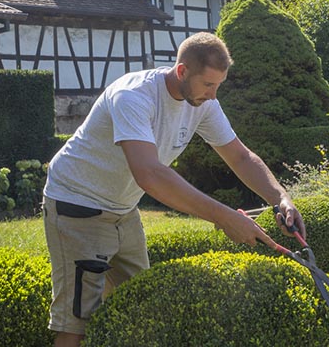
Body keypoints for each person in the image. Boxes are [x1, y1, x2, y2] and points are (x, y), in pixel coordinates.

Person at [42, 32, 307, 347]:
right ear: (182, 71)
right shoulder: (134, 96)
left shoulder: (202, 104)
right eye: (208, 85)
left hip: (123, 212)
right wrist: (224, 217)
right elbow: (150, 174)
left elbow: (240, 156)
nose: (213, 94)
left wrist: (281, 198)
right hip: (77, 207)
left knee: (140, 308)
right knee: (77, 324)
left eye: (218, 85)